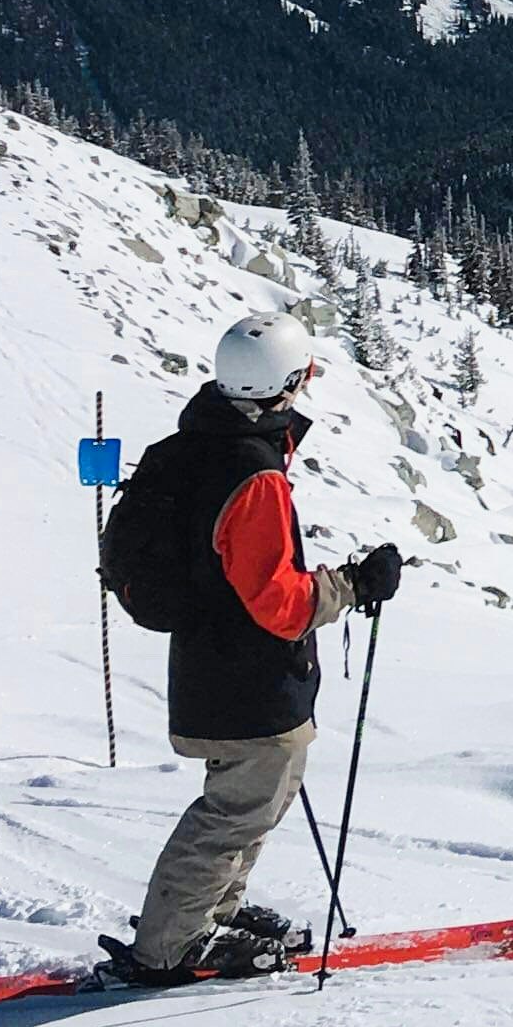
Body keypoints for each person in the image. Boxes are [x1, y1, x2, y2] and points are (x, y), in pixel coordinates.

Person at [109, 314, 403, 986]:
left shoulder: (193, 446)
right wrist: (354, 585)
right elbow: (281, 604)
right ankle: (167, 947)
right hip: (249, 681)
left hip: (213, 665)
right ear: (289, 384)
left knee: (249, 807)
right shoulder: (252, 477)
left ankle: (207, 918)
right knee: (233, 815)